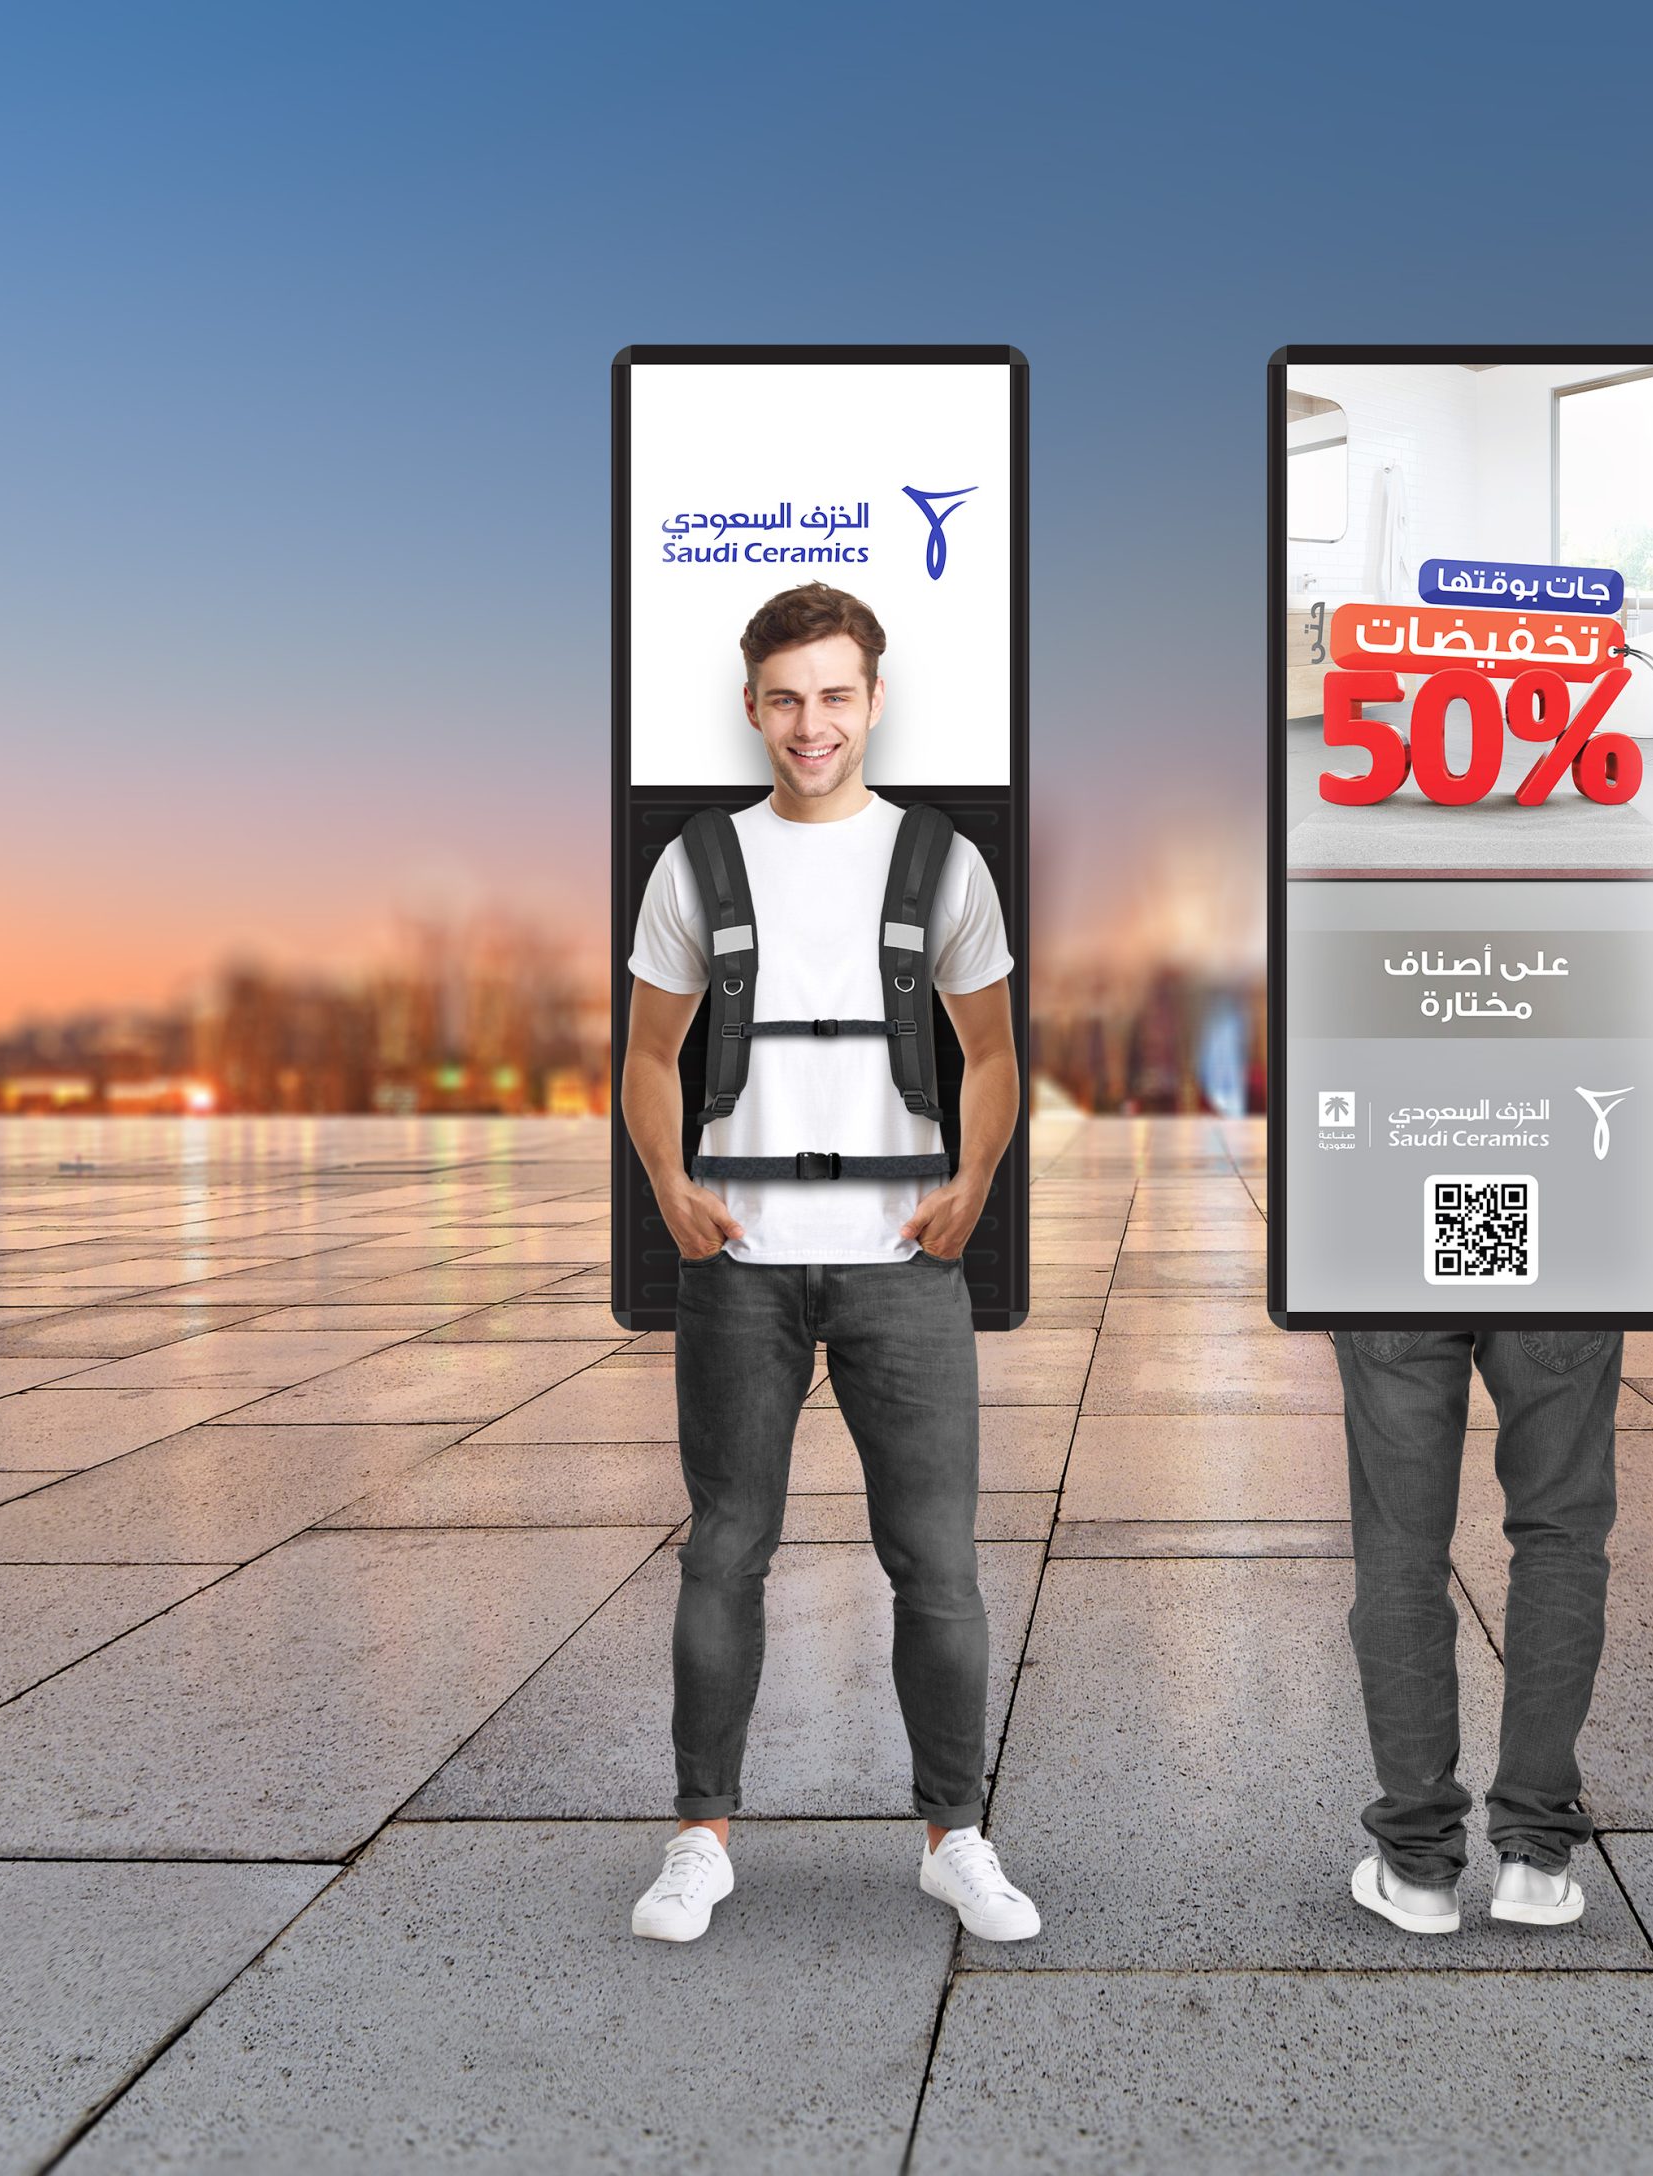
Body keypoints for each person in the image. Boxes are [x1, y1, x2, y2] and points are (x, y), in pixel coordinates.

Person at [616, 581, 1038, 1946]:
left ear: (874, 701)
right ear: (751, 707)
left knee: (940, 1566)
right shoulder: (694, 861)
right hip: (737, 1265)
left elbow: (991, 1051)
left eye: (837, 695)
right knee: (723, 1555)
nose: (813, 723)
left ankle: (954, 1838)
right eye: (787, 698)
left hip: (902, 1269)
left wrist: (973, 1185)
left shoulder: (941, 862)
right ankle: (699, 1841)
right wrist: (670, 1187)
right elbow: (646, 1053)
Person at [1330, 1326, 1622, 1934]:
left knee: (1400, 1546)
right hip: (1558, 1248)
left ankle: (1417, 1867)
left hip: (1393, 1249)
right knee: (1560, 1535)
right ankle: (1534, 1859)